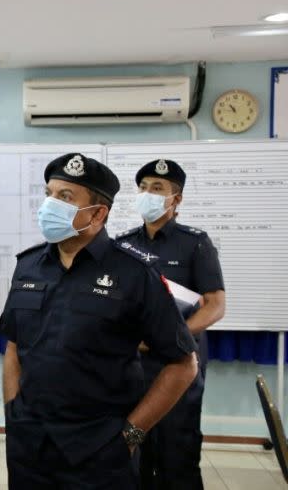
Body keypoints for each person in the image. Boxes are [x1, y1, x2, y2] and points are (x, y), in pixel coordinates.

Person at [0, 152, 198, 490]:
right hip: (29, 445)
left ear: (97, 213)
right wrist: (12, 413)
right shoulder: (28, 266)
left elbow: (183, 365)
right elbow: (14, 347)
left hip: (99, 449)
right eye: (49, 194)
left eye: (65, 197)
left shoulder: (134, 275)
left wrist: (131, 435)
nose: (50, 205)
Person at [117, 159, 225, 490]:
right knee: (133, 452)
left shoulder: (195, 243)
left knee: (177, 457)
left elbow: (215, 307)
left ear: (176, 199)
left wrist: (170, 336)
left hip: (178, 366)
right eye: (143, 188)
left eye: (158, 188)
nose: (147, 194)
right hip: (132, 368)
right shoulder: (122, 244)